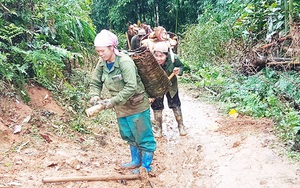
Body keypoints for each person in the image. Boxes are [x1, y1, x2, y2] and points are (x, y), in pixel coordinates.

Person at [89, 29, 156, 173]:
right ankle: (135, 160)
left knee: (143, 135)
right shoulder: (102, 63)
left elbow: (131, 87)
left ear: (112, 47)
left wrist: (111, 102)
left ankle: (146, 166)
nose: (100, 54)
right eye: (98, 51)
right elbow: (95, 82)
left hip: (136, 105)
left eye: (102, 51)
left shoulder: (125, 62)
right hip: (121, 108)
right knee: (128, 134)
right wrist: (95, 95)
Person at [151, 42, 187, 137]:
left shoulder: (173, 59)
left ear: (166, 55)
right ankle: (158, 129)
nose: (158, 58)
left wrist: (178, 70)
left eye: (161, 56)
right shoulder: (150, 61)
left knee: (175, 104)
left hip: (171, 85)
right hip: (157, 86)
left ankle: (181, 126)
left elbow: (182, 67)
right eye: (156, 55)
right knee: (157, 106)